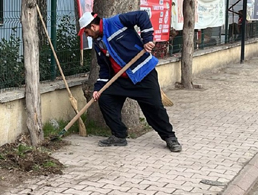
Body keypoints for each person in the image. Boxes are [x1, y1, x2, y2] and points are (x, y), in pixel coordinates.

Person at [78, 11, 182, 152]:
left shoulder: (116, 22)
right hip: (121, 79)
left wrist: (147, 39)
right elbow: (104, 68)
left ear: (93, 27)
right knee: (105, 97)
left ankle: (170, 137)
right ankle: (119, 135)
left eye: (86, 32)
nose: (87, 35)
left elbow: (142, 16)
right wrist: (99, 88)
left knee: (155, 109)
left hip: (143, 73)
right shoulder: (98, 43)